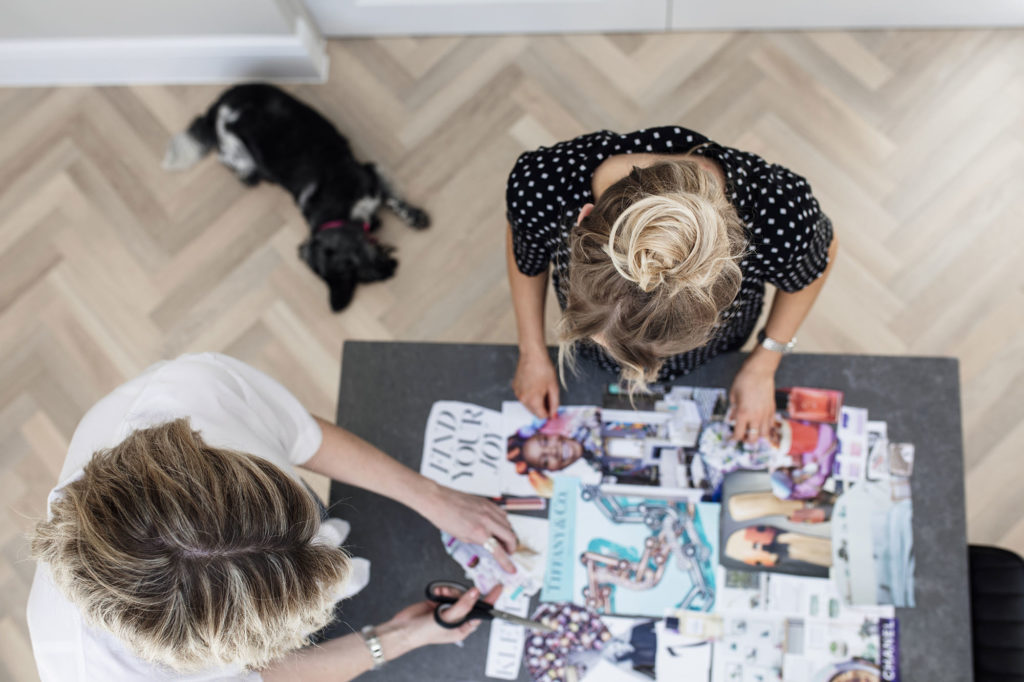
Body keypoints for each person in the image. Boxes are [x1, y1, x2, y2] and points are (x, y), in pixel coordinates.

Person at [27, 353, 514, 681]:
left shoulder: (192, 390)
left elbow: (295, 433)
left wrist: (433, 497)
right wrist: (399, 638)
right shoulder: (94, 671)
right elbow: (270, 677)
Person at [506, 127, 838, 444]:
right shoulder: (541, 184)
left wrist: (764, 363)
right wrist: (531, 350)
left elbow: (820, 256)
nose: (636, 372)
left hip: (719, 355)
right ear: (582, 219)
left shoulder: (781, 216)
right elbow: (526, 251)